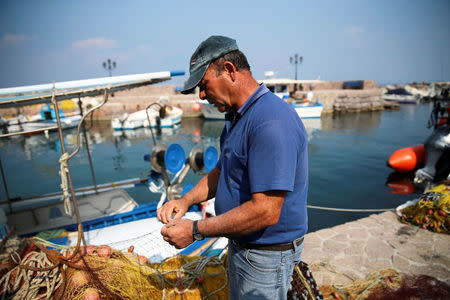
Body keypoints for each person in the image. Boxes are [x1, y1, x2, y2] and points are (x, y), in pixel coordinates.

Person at [157, 35, 308, 300]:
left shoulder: (270, 122)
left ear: (229, 70)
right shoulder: (238, 116)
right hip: (244, 247)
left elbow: (266, 212)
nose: (202, 95)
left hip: (266, 258)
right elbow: (222, 171)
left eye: (204, 85)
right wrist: (186, 200)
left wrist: (194, 231)